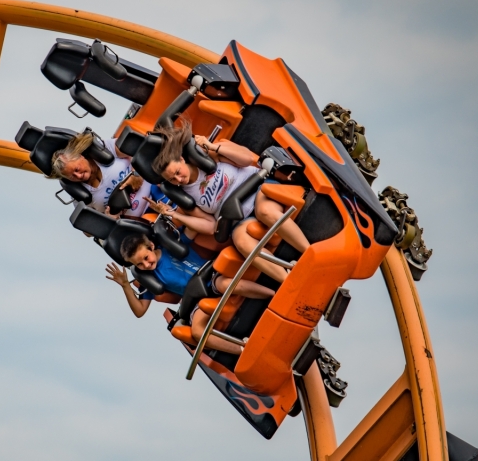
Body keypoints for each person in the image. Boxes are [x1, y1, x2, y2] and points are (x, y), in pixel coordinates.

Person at [148, 117, 310, 283]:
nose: (179, 179)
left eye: (177, 172)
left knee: (265, 212)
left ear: (182, 159)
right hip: (239, 217)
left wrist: (214, 147)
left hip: (258, 191)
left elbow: (247, 158)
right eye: (172, 180)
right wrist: (174, 214)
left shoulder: (209, 155)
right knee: (241, 242)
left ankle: (308, 253)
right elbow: (211, 226)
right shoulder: (185, 195)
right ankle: (289, 279)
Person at [104, 233, 274, 355]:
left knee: (226, 284)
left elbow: (191, 230)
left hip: (210, 279)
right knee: (197, 332)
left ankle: (273, 295)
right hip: (196, 299)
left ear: (151, 246)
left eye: (146, 258)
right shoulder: (150, 278)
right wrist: (125, 285)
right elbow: (140, 310)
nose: (146, 265)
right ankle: (242, 350)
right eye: (139, 265)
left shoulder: (172, 243)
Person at [49, 131, 151, 215]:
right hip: (141, 220)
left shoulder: (104, 149)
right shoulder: (79, 194)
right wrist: (108, 219)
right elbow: (88, 229)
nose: (78, 176)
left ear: (80, 156)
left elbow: (138, 147)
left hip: (154, 188)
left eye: (76, 169)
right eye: (72, 176)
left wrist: (137, 173)